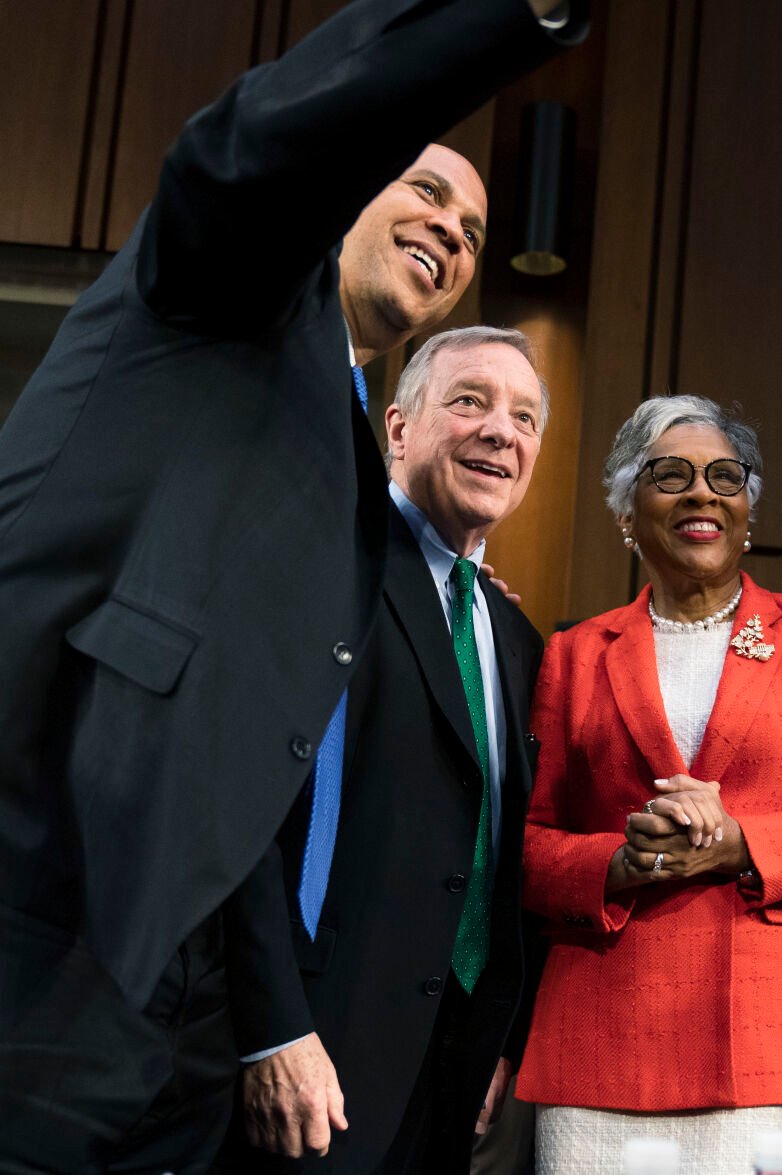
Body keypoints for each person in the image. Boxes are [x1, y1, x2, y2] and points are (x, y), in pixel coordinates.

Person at [0, 2, 585, 1170]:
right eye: (424, 189)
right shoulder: (228, 284)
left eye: (472, 227)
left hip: (150, 947)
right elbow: (253, 152)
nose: (451, 231)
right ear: (347, 177)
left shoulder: (351, 453)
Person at [515, 395, 782, 1173]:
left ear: (746, 509)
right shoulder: (572, 653)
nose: (702, 492)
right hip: (603, 1031)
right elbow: (525, 846)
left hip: (774, 1035)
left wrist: (742, 845)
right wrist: (618, 863)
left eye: (724, 475)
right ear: (627, 508)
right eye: (670, 474)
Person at [217, 326, 550, 1172]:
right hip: (308, 1059)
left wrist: (490, 1038)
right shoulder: (327, 566)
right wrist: (273, 1029)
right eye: (469, 400)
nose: (499, 431)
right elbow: (235, 809)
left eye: (523, 416)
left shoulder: (513, 635)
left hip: (447, 1073)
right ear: (397, 429)